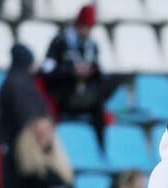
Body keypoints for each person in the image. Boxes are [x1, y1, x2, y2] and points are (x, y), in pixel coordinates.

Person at [41, 4, 117, 147]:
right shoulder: (60, 42)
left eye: (90, 28)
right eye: (85, 27)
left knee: (113, 82)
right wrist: (71, 72)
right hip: (65, 94)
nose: (87, 31)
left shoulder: (92, 46)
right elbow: (47, 71)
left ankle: (101, 148)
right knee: (96, 102)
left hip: (87, 94)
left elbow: (98, 73)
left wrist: (92, 71)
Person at [0, 43, 50, 147]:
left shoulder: (20, 80)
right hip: (24, 140)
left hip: (26, 135)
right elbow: (26, 116)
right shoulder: (17, 84)